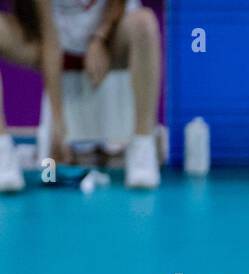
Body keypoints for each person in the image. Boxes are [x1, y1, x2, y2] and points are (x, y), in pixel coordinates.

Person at [0, 0, 162, 191]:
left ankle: (143, 145)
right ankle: (3, 152)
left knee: (145, 23)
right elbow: (49, 39)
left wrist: (99, 38)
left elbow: (118, 3)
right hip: (54, 44)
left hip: (109, 41)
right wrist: (58, 123)